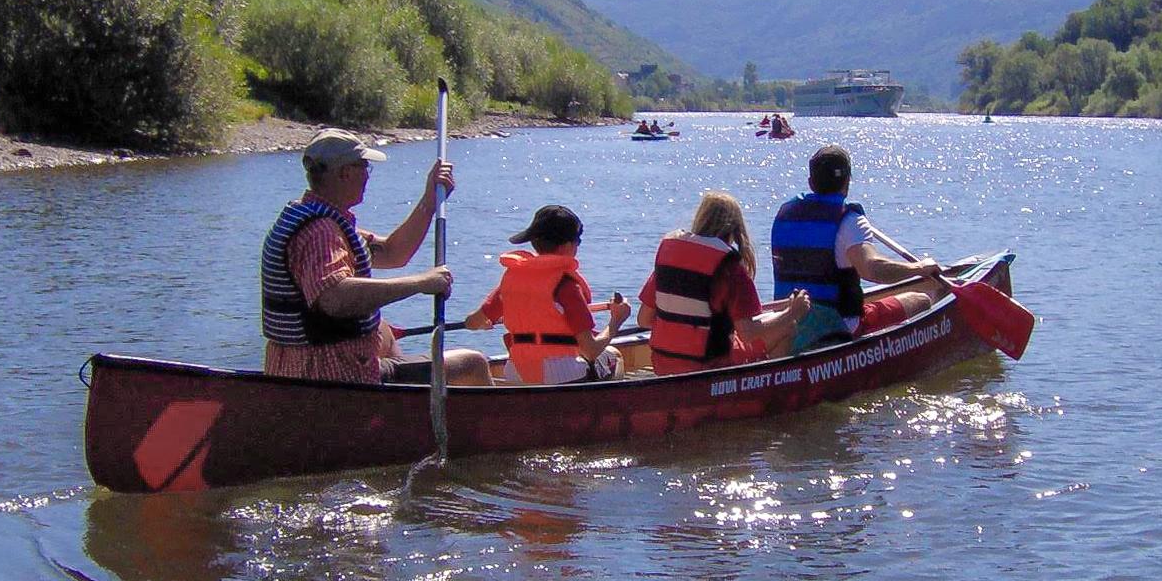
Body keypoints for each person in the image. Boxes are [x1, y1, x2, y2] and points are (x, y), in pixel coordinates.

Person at [261, 128, 492, 386]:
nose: (367, 176)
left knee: (387, 338)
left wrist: (430, 199)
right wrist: (421, 283)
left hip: (298, 369)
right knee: (474, 362)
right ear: (345, 173)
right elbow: (334, 297)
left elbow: (394, 253)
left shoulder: (313, 217)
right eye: (365, 167)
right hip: (333, 376)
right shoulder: (321, 232)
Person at [771, 144, 944, 352]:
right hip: (837, 327)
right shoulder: (850, 221)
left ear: (811, 182)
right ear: (847, 182)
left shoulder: (784, 213)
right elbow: (872, 269)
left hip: (787, 325)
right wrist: (920, 268)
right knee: (921, 300)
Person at [638, 190, 811, 376]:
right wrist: (793, 312)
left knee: (763, 320)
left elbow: (644, 319)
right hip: (708, 367)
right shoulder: (730, 266)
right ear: (736, 231)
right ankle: (764, 392)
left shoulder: (671, 258)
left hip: (662, 364)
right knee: (788, 327)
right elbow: (747, 333)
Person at [463, 204, 632, 384]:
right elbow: (590, 350)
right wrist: (616, 321)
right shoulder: (567, 286)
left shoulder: (512, 279)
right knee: (614, 356)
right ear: (567, 245)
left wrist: (487, 322)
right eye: (578, 241)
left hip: (516, 372)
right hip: (561, 374)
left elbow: (472, 323)